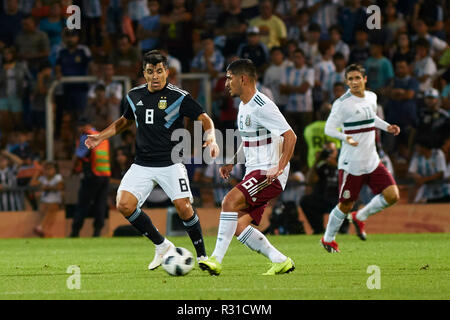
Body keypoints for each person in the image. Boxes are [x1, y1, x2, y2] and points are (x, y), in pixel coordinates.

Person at [83, 50, 219, 268]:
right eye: (149, 72)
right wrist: (100, 136)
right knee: (124, 205)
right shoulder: (134, 96)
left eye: (158, 71)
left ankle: (203, 256)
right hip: (142, 164)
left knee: (184, 208)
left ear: (166, 71)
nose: (154, 76)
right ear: (143, 73)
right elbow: (124, 121)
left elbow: (204, 117)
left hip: (171, 162)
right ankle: (162, 245)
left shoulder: (179, 97)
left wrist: (210, 136)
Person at [199, 59, 297, 276]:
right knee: (238, 226)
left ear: (242, 79)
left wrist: (279, 168)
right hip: (254, 171)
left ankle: (215, 259)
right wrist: (233, 161)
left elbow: (290, 136)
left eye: (229, 78)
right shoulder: (244, 106)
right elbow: (249, 140)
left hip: (268, 172)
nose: (226, 83)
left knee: (229, 202)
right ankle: (280, 260)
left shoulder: (263, 105)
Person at [321, 64, 401, 253]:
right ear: (346, 82)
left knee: (392, 195)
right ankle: (328, 239)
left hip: (372, 160)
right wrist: (344, 137)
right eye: (350, 79)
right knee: (345, 205)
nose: (354, 82)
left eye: (357, 78)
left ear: (365, 79)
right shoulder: (341, 104)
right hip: (352, 164)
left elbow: (371, 117)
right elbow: (329, 129)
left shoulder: (372, 97)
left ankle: (361, 216)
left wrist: (387, 127)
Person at [70, 118, 111, 238]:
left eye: (79, 126)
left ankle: (75, 231)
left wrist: (73, 170)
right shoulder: (102, 136)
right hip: (105, 175)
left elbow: (79, 155)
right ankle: (97, 232)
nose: (78, 129)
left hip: (92, 175)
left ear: (84, 126)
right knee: (100, 204)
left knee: (83, 204)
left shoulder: (86, 136)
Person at [30, 161, 64, 237]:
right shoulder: (43, 178)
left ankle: (40, 227)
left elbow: (60, 186)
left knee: (51, 209)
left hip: (55, 201)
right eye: (46, 169)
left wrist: (47, 188)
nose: (48, 171)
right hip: (44, 201)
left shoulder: (57, 177)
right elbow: (32, 183)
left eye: (50, 169)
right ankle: (43, 230)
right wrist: (37, 172)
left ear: (54, 170)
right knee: (43, 209)